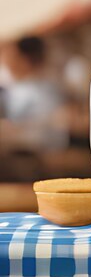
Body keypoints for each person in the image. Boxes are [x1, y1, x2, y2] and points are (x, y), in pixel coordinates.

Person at [0, 36, 68, 180]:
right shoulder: (21, 87)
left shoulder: (39, 91)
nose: (5, 60)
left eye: (11, 55)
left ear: (24, 60)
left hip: (35, 162)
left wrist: (11, 132)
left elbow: (45, 134)